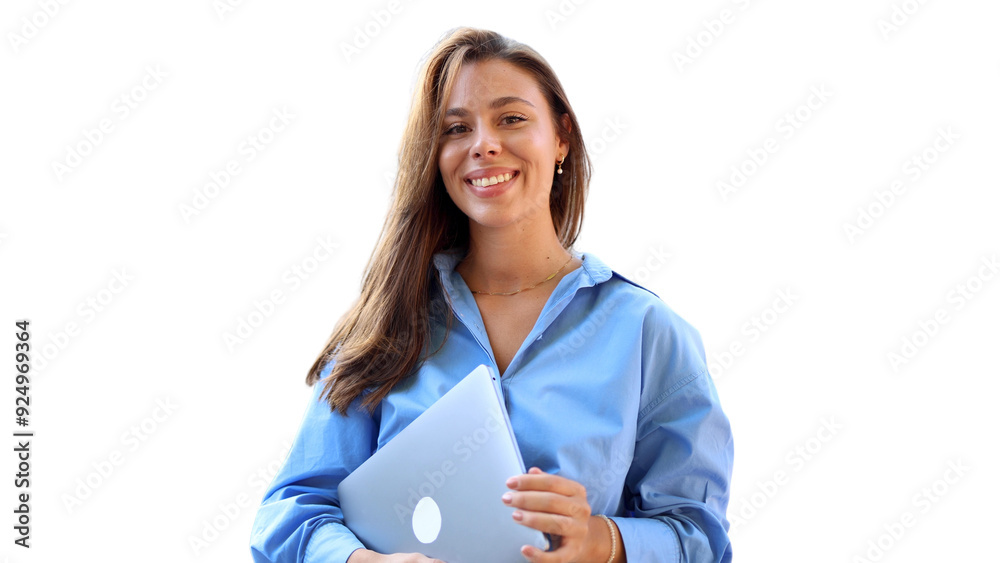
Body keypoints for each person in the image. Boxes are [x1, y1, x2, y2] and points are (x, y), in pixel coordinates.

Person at [250, 26, 733, 563]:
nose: (482, 144)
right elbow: (291, 511)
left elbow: (700, 539)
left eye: (512, 118)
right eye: (456, 128)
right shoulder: (388, 322)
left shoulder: (647, 332)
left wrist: (599, 541)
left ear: (562, 138)